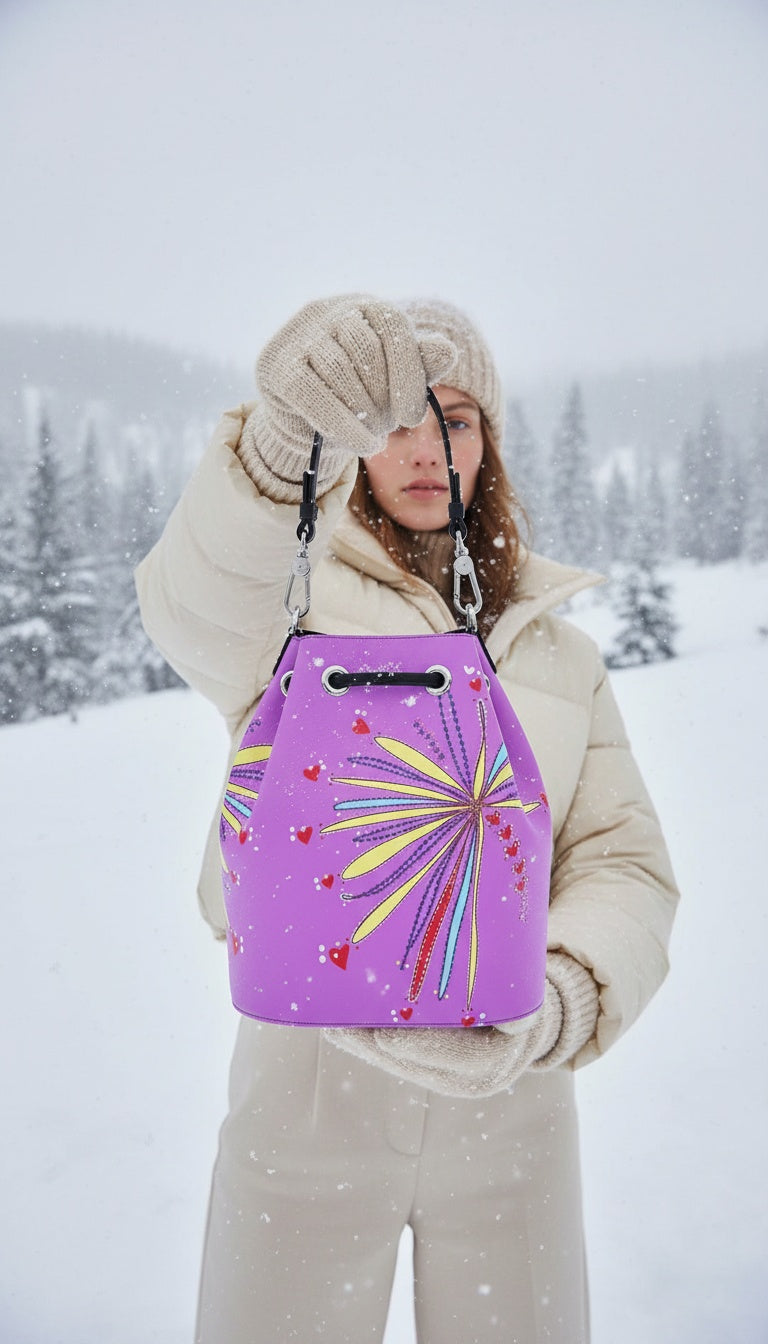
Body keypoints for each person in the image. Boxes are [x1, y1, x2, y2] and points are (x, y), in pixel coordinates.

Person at [135, 295, 679, 1344]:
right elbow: (190, 599)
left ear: (490, 446)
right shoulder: (286, 616)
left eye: (457, 419)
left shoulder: (559, 657)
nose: (428, 446)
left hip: (512, 1100)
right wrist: (279, 450)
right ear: (353, 445)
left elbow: (624, 862)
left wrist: (557, 1003)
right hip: (306, 1087)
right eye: (393, 420)